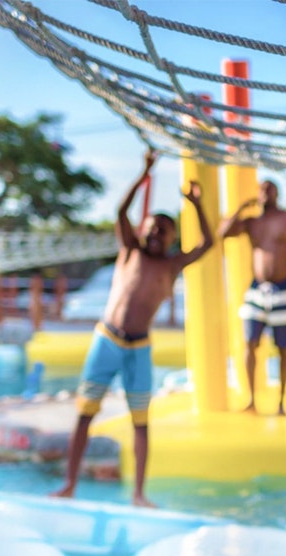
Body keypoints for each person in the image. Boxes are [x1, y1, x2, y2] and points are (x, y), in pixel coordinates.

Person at [51, 150, 214, 507]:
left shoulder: (171, 266)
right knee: (84, 414)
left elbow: (208, 243)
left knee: (141, 421)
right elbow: (121, 212)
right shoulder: (129, 251)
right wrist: (144, 173)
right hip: (107, 340)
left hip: (139, 349)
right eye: (152, 227)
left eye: (164, 230)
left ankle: (139, 493)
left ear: (173, 238)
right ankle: (69, 483)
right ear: (142, 230)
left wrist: (196, 205)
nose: (156, 232)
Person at [218, 180, 286, 416]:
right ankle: (251, 400)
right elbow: (222, 233)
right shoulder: (251, 223)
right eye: (260, 189)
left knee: (283, 348)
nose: (264, 193)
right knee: (249, 343)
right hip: (256, 288)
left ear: (277, 193)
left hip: (285, 287)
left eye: (269, 189)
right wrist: (241, 207)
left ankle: (281, 402)